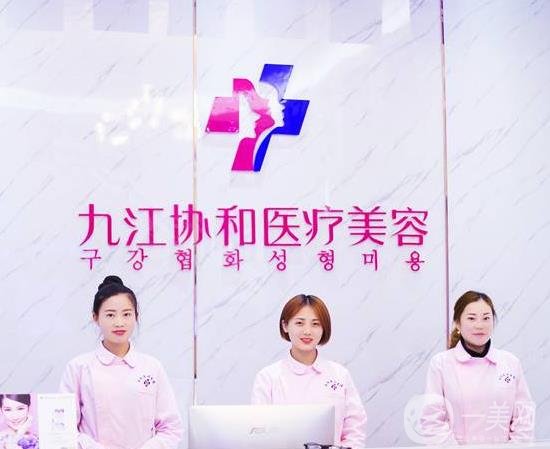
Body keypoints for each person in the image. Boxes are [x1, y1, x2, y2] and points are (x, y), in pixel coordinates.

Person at [59, 275, 183, 449]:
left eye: (126, 314)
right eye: (110, 315)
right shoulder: (78, 368)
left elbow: (171, 429)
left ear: (136, 316)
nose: (119, 322)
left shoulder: (152, 367)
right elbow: (63, 429)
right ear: (95, 317)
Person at [251, 294, 367, 448]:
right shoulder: (268, 377)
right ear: (285, 326)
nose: (307, 331)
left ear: (323, 328)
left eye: (315, 324)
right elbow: (259, 433)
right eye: (299, 323)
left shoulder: (340, 375)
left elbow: (355, 430)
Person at [420, 290, 535, 444]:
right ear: (458, 323)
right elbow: (432, 421)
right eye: (471, 318)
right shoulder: (441, 363)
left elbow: (524, 419)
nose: (479, 325)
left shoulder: (510, 363)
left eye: (486, 318)